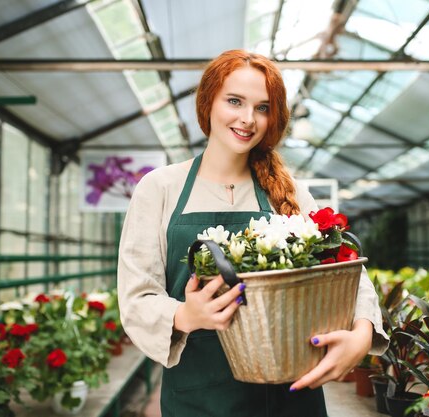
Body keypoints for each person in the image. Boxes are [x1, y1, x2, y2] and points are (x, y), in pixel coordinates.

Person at [117, 49, 388, 417]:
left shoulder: (288, 189)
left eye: (262, 108)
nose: (248, 119)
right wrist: (186, 315)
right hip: (199, 397)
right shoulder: (161, 187)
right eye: (234, 101)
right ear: (207, 102)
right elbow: (137, 296)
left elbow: (348, 271)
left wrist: (362, 333)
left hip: (293, 393)